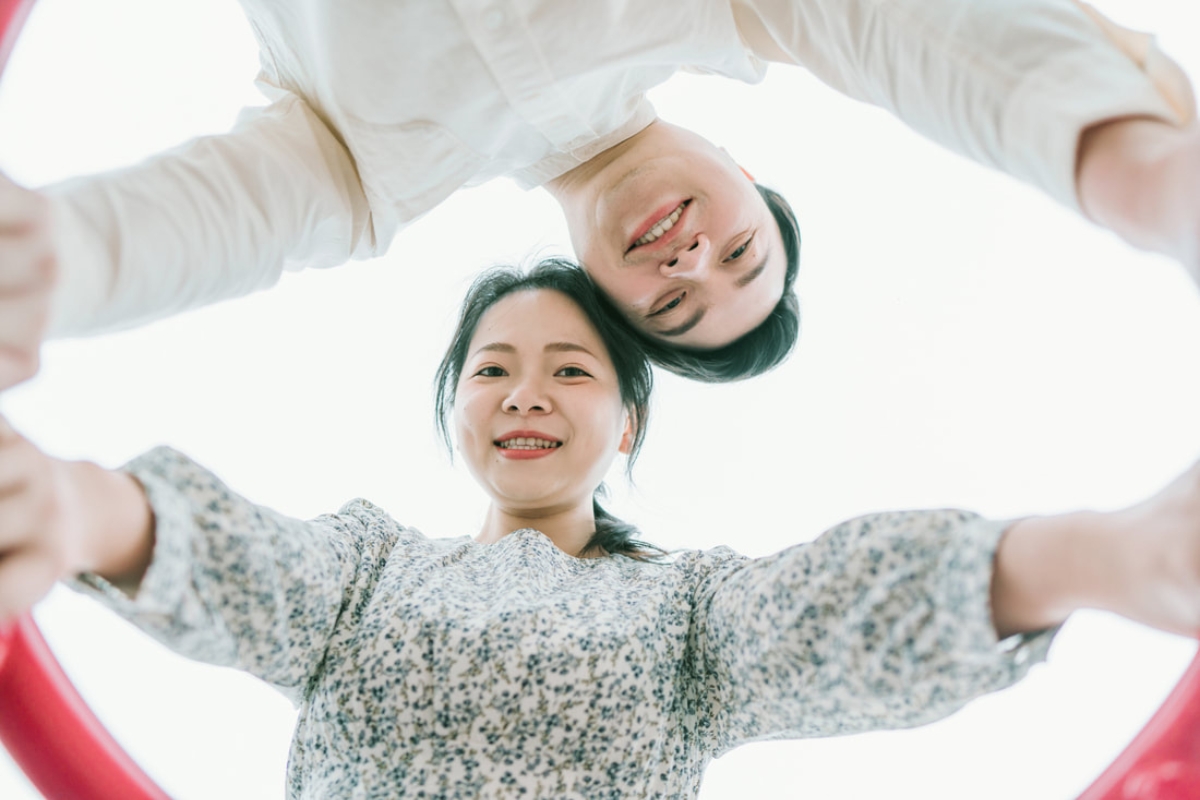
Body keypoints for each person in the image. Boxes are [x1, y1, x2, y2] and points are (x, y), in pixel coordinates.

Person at [1, 258, 1199, 797]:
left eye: (570, 368)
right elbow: (240, 559)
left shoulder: (682, 610)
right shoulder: (368, 569)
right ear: (455, 407)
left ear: (625, 422)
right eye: (495, 367)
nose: (527, 391)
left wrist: (1092, 553)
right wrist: (71, 503)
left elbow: (823, 615)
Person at [1, 0, 1198, 387]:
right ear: (745, 174)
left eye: (671, 305)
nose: (691, 264)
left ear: (599, 289)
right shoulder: (727, 16)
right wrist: (1128, 167)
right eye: (741, 253)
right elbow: (899, 29)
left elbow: (209, 226)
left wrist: (59, 263)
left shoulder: (368, 176)